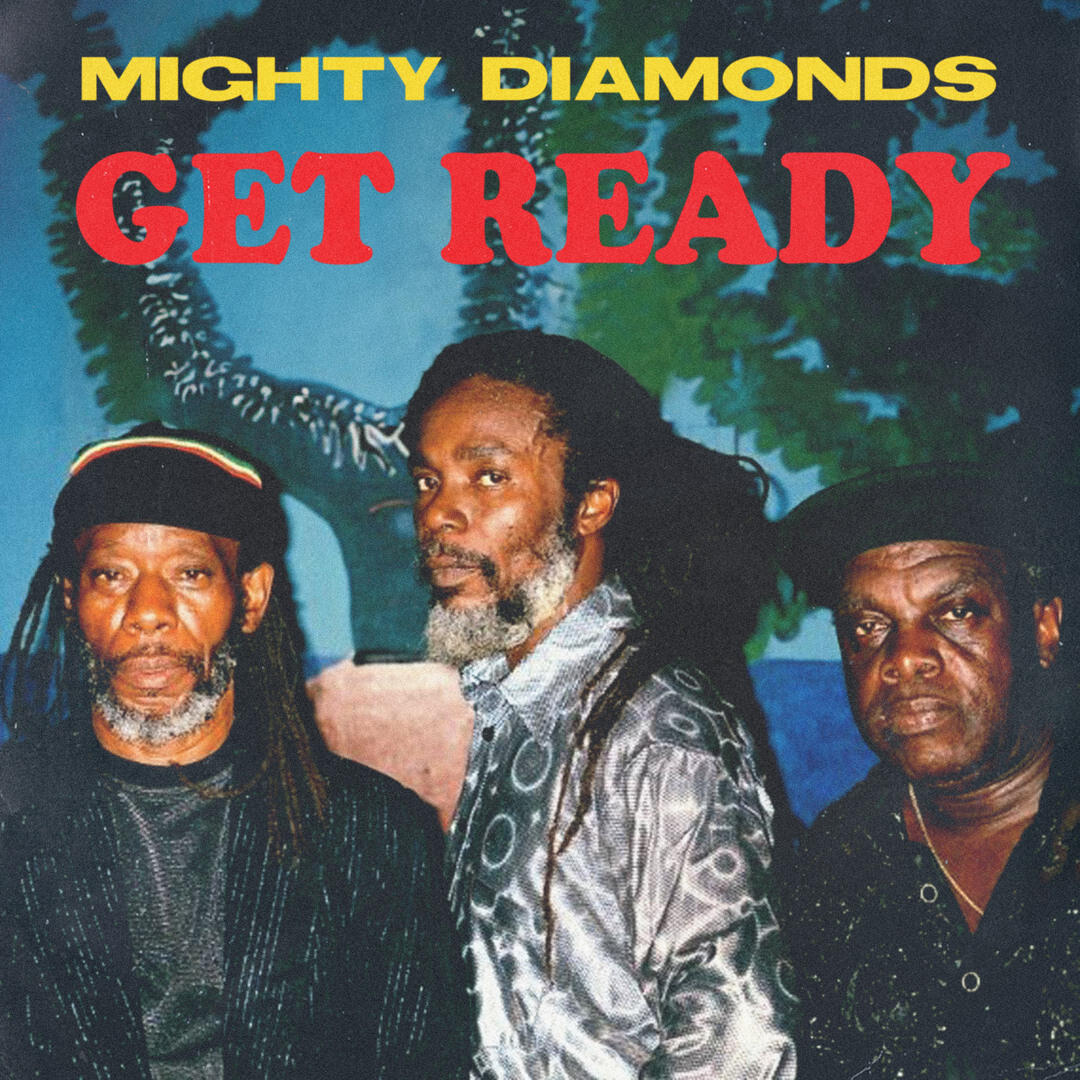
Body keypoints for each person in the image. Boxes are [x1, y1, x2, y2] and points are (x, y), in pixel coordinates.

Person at [0, 423, 469, 1079]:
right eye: (112, 575)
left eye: (190, 574)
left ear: (250, 597)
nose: (148, 611)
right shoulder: (11, 815)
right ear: (73, 599)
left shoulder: (374, 834)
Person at [403, 329, 797, 1079]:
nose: (440, 516)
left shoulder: (658, 724)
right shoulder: (517, 701)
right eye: (429, 480)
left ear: (591, 503)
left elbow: (742, 1042)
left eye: (489, 477)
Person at [778, 462, 1080, 1079]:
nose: (905, 658)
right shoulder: (831, 870)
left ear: (1043, 628)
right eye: (868, 627)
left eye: (956, 612)